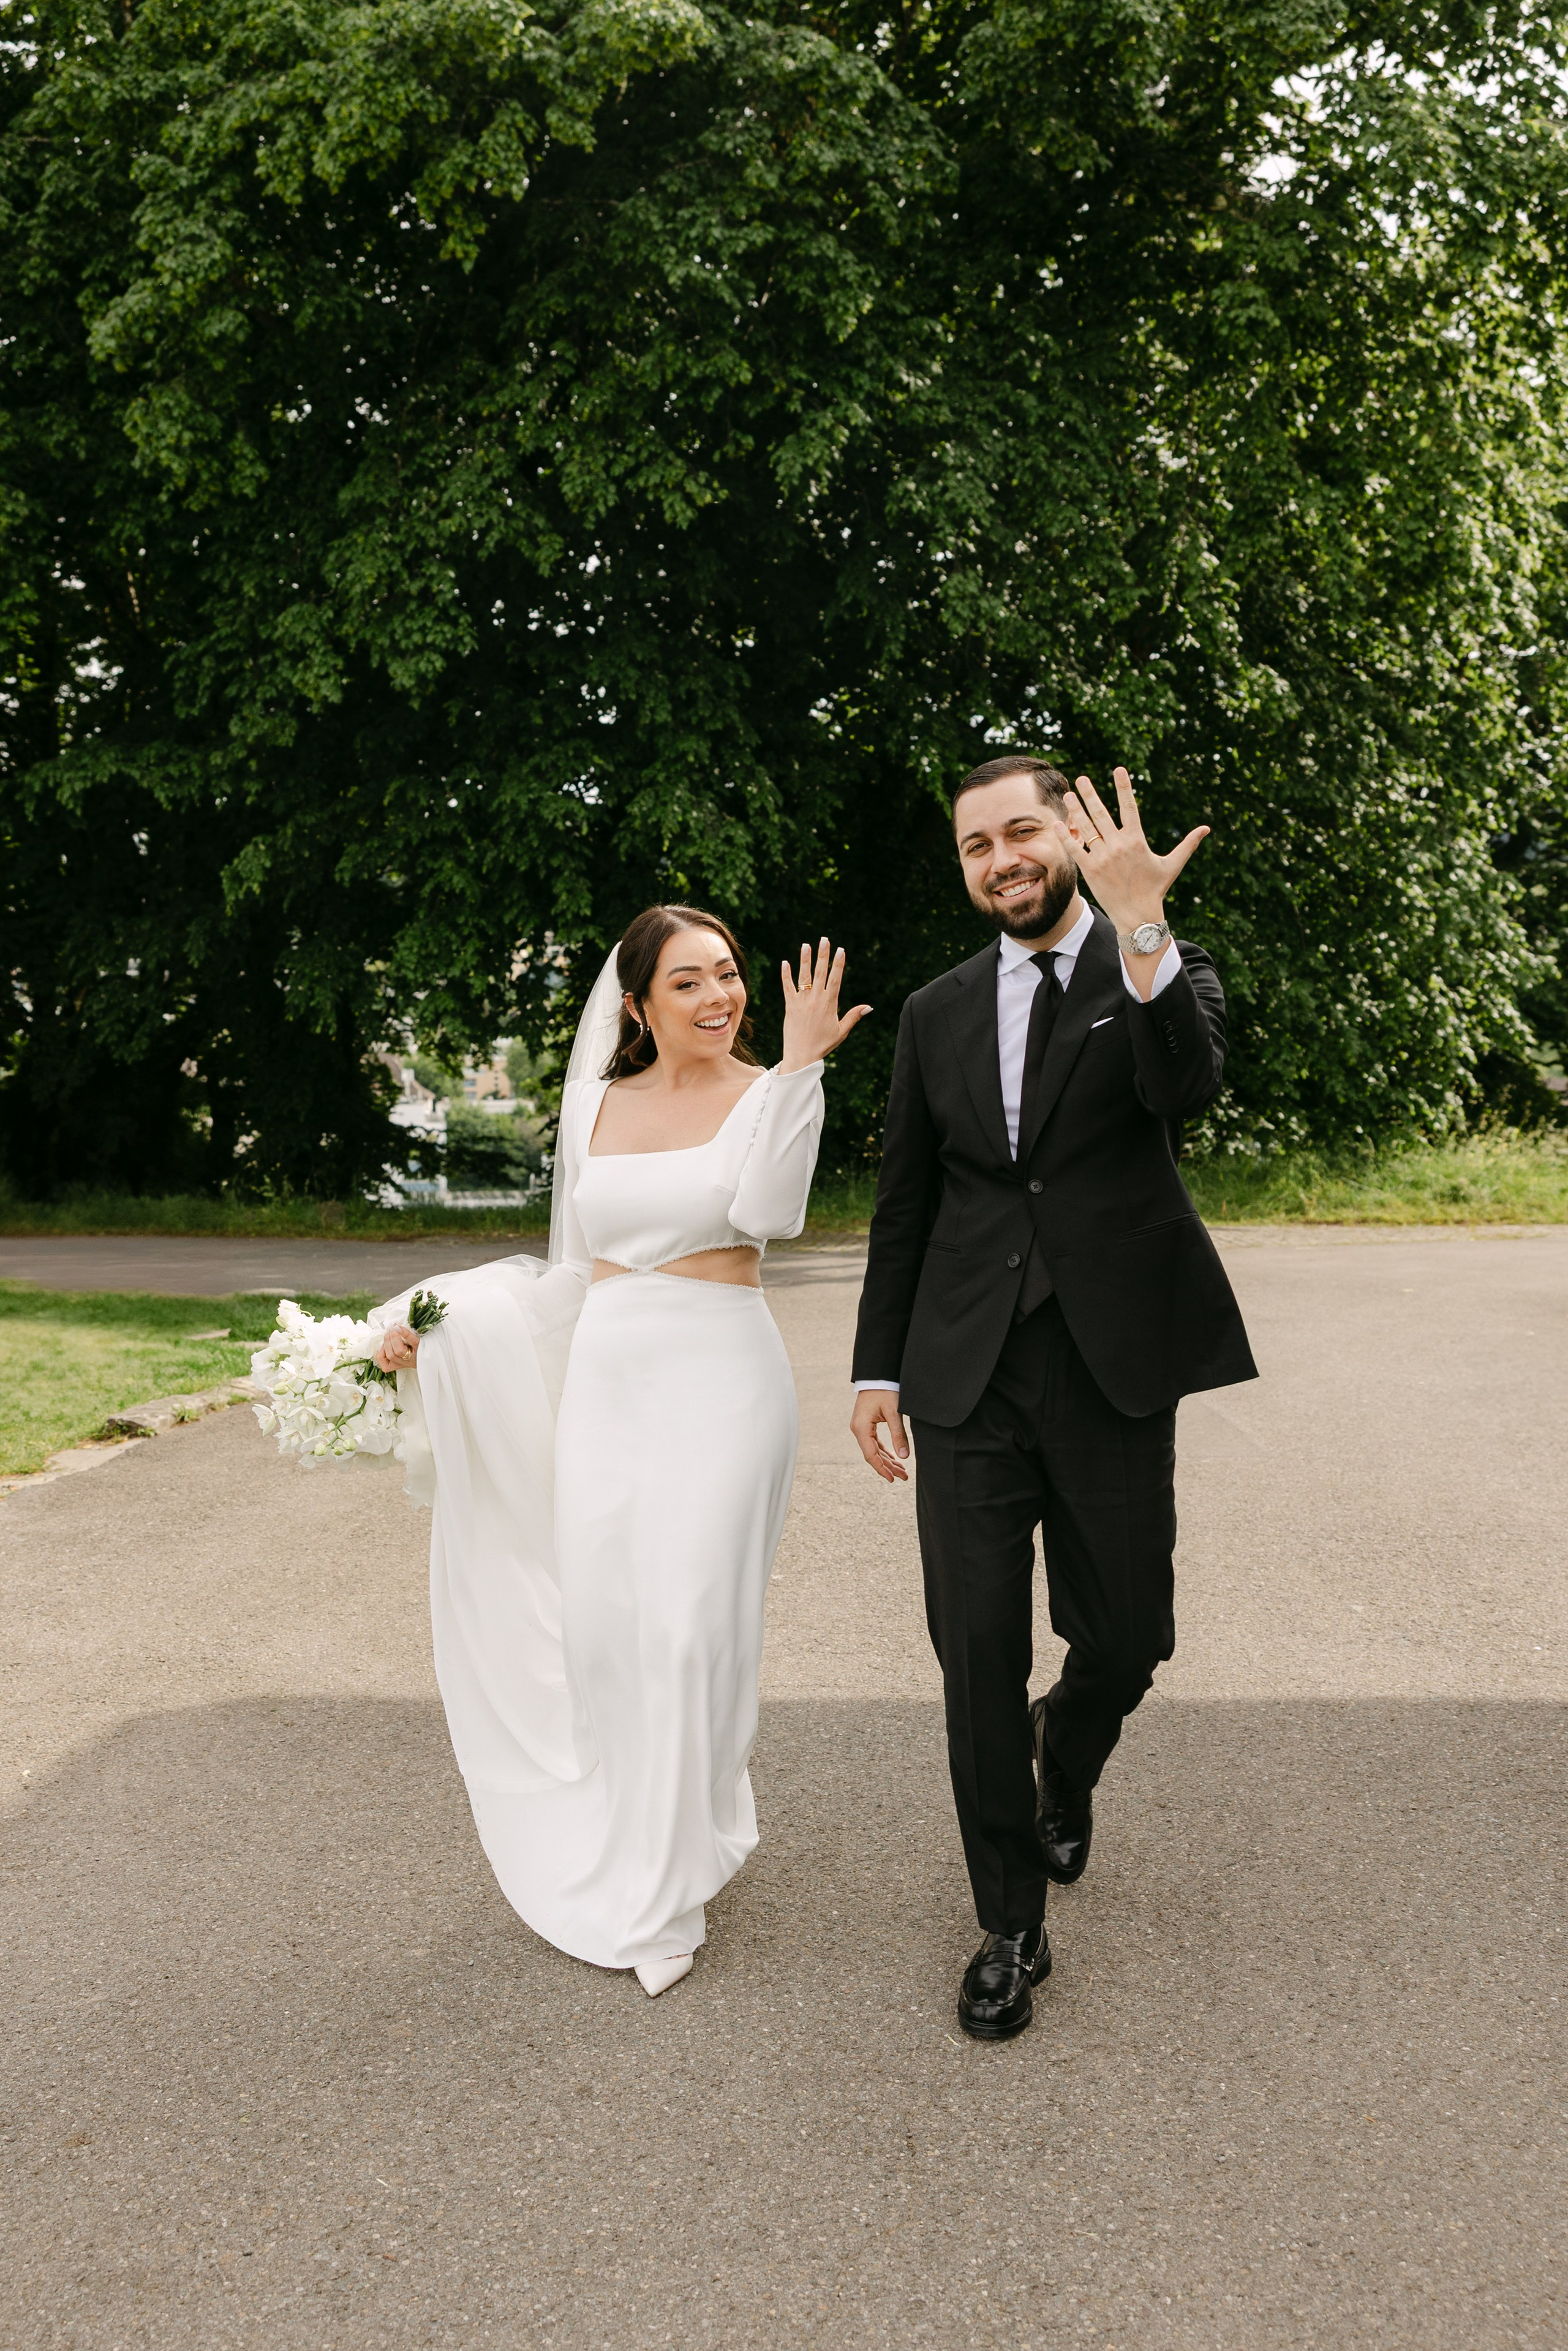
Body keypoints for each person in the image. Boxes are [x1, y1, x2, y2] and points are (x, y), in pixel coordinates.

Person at [374, 908, 867, 1996]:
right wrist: (439, 1320)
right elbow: (567, 1277)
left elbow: (770, 1212)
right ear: (637, 1005)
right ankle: (635, 1829)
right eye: (687, 982)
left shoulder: (771, 1091)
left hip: (725, 1380)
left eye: (728, 975)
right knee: (607, 1628)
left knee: (691, 1628)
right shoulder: (596, 1104)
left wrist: (794, 1071)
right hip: (610, 1379)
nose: (716, 997)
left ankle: (672, 1878)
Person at [849, 758, 1256, 2040]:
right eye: (974, 844)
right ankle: (1008, 1917)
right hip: (964, 1369)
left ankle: (1064, 1751)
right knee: (973, 1650)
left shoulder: (1156, 964)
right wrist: (875, 1365)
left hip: (1109, 1360)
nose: (998, 858)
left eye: (1019, 830)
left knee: (1129, 1635)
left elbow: (1182, 1085)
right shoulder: (934, 1011)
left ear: (1068, 838)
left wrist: (1141, 923)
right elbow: (906, 1199)